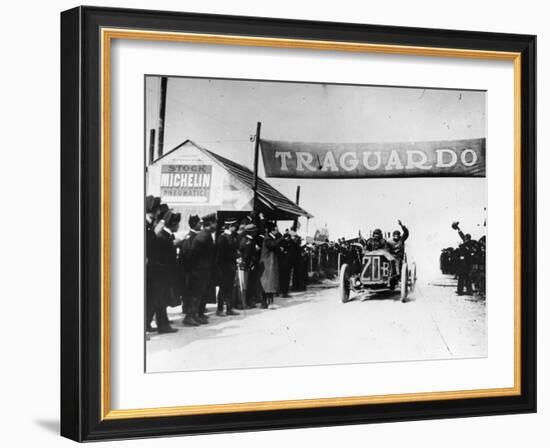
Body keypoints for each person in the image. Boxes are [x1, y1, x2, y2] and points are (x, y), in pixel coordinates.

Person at [149, 208, 179, 334]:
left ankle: (151, 323)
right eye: (177, 224)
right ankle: (163, 326)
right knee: (161, 301)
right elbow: (162, 257)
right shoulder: (162, 237)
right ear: (172, 224)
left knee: (161, 300)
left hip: (164, 274)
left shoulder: (165, 235)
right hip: (161, 274)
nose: (178, 227)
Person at [189, 213, 218, 324]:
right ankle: (190, 316)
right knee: (196, 294)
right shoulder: (202, 236)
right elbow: (193, 255)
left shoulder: (206, 235)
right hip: (198, 271)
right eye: (215, 222)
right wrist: (196, 270)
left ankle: (197, 315)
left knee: (201, 293)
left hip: (204, 270)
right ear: (210, 223)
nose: (216, 225)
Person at [178, 214, 201, 326]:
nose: (201, 225)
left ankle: (193, 314)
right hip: (190, 271)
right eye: (199, 223)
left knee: (195, 293)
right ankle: (189, 316)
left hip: (193, 270)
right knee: (191, 294)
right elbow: (188, 254)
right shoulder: (190, 237)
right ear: (194, 224)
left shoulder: (194, 236)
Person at [215, 219, 240, 317]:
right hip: (224, 267)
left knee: (230, 288)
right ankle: (220, 309)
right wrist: (235, 256)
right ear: (230, 226)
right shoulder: (222, 238)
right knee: (223, 288)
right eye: (234, 226)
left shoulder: (231, 236)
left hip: (231, 267)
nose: (236, 227)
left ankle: (229, 308)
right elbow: (221, 255)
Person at [452, 221, 479, 296]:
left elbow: (462, 237)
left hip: (466, 264)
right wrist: (458, 229)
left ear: (467, 238)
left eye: (465, 238)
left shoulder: (468, 244)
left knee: (462, 278)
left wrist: (458, 229)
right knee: (467, 278)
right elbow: (462, 235)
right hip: (467, 264)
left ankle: (461, 291)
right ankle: (468, 291)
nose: (464, 239)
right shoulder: (470, 243)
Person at [260, 221, 282, 308]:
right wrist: (281, 239)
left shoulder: (271, 238)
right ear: (272, 230)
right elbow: (273, 245)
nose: (278, 231)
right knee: (267, 283)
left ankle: (269, 302)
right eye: (276, 230)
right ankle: (265, 302)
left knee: (271, 283)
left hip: (271, 264)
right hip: (267, 264)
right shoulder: (267, 239)